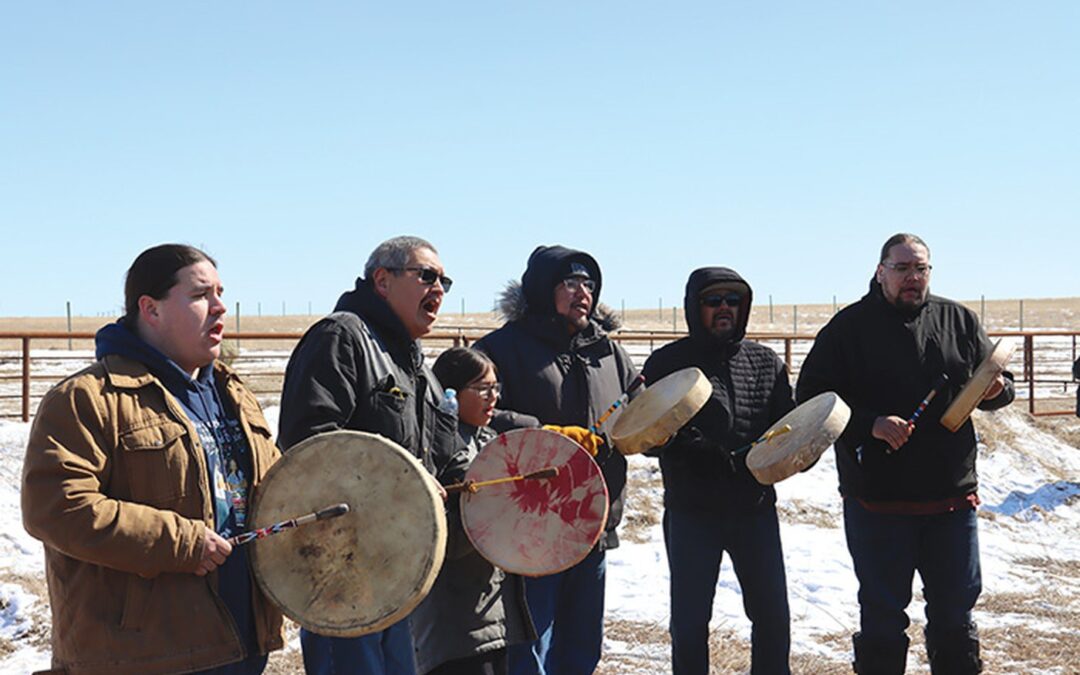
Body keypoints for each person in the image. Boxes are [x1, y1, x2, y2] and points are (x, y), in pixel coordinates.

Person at [22, 244, 284, 675]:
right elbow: (56, 508)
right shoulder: (88, 399)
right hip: (144, 654)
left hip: (243, 641)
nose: (220, 307)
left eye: (220, 293)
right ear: (151, 309)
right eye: (200, 295)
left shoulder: (236, 396)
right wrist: (181, 543)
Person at [796, 233, 1015, 675]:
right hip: (878, 500)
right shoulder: (848, 328)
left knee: (955, 616)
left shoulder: (958, 320)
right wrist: (870, 424)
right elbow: (812, 398)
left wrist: (996, 391)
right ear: (880, 272)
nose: (913, 277)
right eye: (902, 269)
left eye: (921, 269)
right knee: (882, 619)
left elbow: (998, 382)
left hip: (950, 498)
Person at [278, 235, 459, 675]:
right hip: (343, 564)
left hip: (397, 561)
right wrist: (403, 480)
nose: (438, 289)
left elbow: (440, 454)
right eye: (427, 276)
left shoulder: (412, 362)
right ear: (382, 280)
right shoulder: (341, 337)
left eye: (444, 281)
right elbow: (310, 444)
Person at [474, 245, 639, 675]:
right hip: (532, 522)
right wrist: (542, 434)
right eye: (570, 283)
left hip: (593, 518)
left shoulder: (608, 352)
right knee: (531, 647)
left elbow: (635, 406)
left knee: (581, 646)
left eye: (589, 284)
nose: (582, 292)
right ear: (542, 289)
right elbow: (473, 410)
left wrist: (657, 422)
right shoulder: (501, 348)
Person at [642, 267, 795, 675]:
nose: (724, 308)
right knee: (690, 623)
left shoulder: (766, 363)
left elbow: (788, 426)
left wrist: (800, 450)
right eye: (713, 301)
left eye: (733, 300)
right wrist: (689, 448)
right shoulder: (667, 363)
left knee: (773, 617)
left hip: (755, 510)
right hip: (693, 512)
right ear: (695, 307)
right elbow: (646, 435)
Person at [411, 347, 537, 675]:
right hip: (455, 621)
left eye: (495, 387)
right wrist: (502, 505)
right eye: (482, 388)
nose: (493, 397)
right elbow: (445, 541)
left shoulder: (488, 441)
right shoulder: (439, 452)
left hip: (491, 612)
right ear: (450, 392)